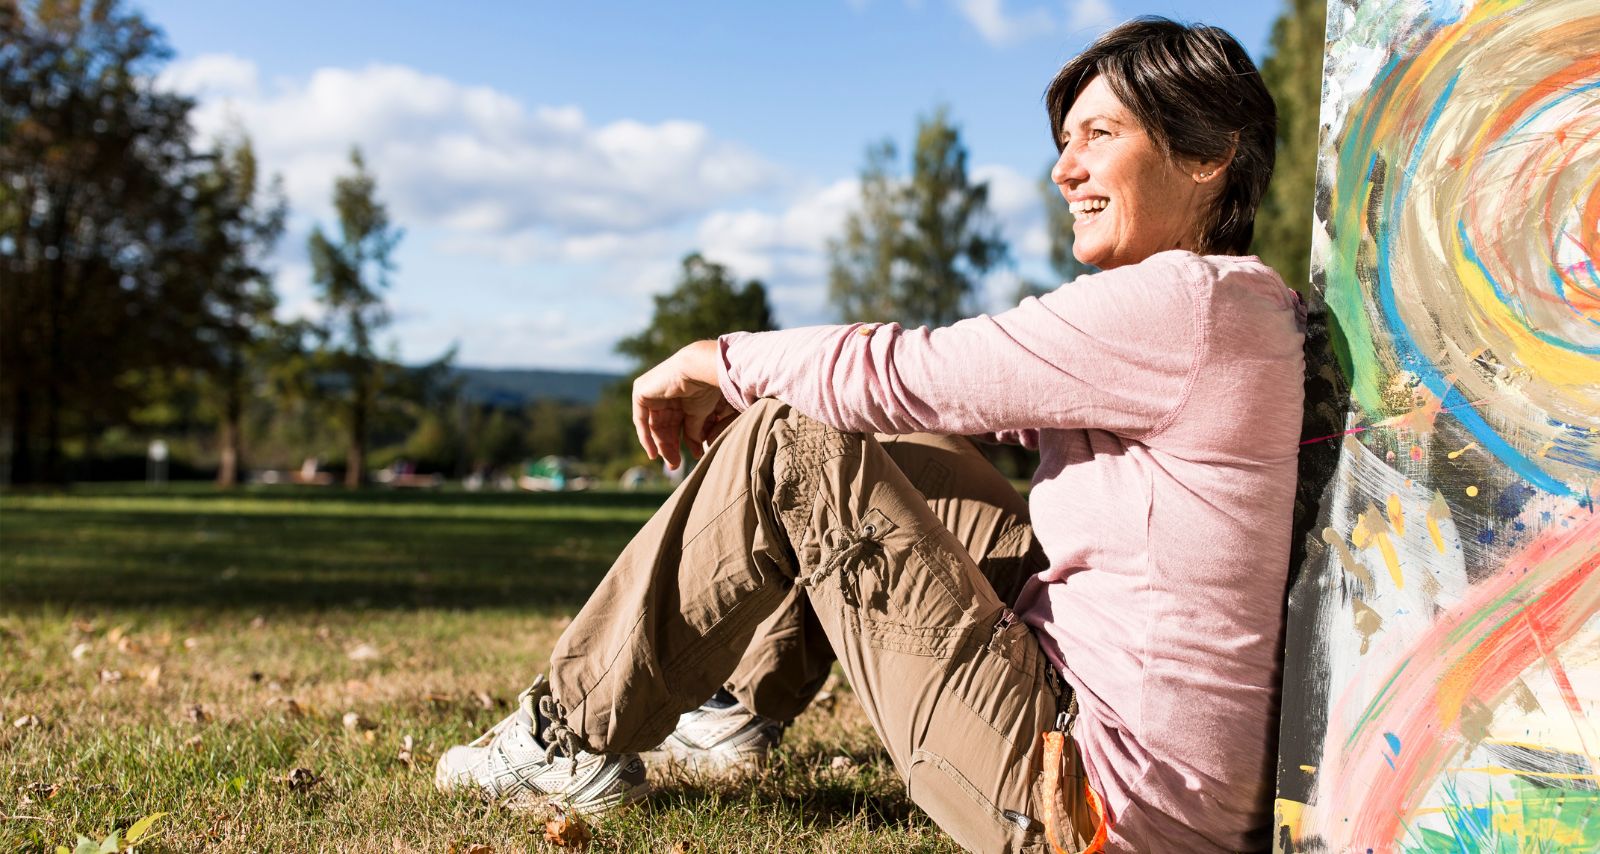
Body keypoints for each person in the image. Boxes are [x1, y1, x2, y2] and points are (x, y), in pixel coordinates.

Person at [436, 17, 1303, 853]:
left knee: (796, 440)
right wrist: (800, 386)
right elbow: (947, 400)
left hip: (1091, 804)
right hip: (1157, 787)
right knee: (884, 439)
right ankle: (738, 712)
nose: (1065, 171)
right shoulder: (1240, 306)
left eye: (1100, 135)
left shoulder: (1182, 305)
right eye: (1064, 143)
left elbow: (911, 373)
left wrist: (719, 359)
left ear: (1207, 154)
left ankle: (564, 734)